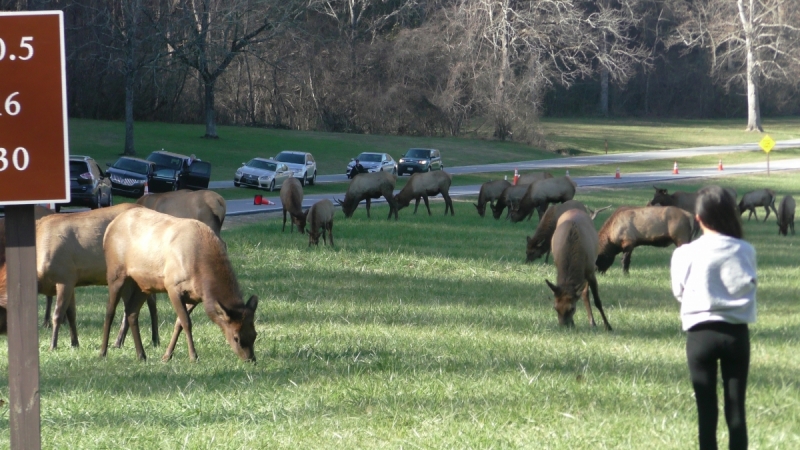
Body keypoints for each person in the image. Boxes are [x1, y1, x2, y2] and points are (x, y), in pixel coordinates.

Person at [670, 185, 756, 450]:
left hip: (700, 336)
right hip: (735, 334)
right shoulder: (745, 249)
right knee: (736, 411)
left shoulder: (684, 253)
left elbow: (678, 291)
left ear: (698, 218)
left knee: (706, 413)